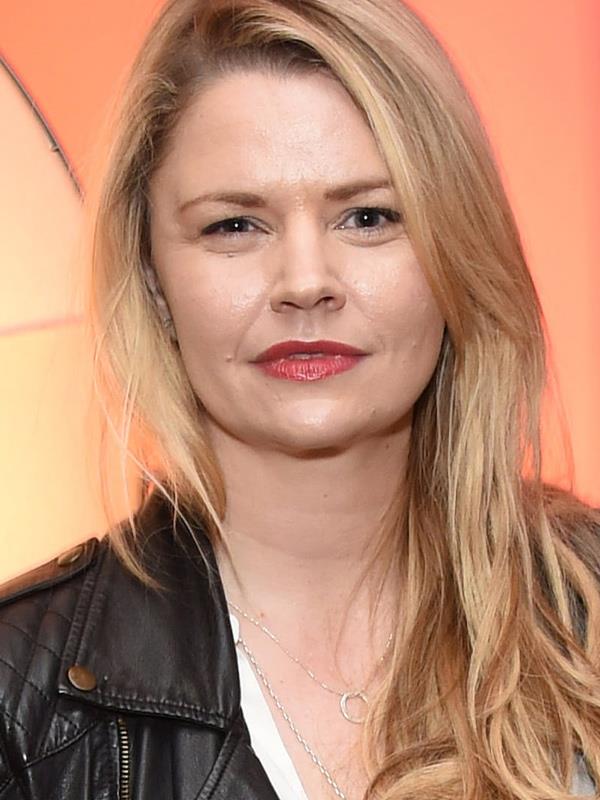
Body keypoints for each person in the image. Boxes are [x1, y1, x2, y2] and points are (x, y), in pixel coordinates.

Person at [1, 0, 599, 798]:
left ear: (458, 247)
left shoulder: (586, 605)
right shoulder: (19, 704)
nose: (306, 281)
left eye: (368, 216)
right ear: (152, 276)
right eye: (235, 226)